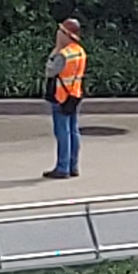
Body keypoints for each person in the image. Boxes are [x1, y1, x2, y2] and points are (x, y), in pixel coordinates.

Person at [43, 19, 88, 180]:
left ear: (66, 35)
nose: (58, 34)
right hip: (74, 95)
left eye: (61, 31)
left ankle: (62, 167)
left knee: (62, 132)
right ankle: (73, 166)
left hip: (61, 96)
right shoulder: (79, 51)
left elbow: (49, 70)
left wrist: (56, 48)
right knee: (73, 131)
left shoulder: (63, 54)